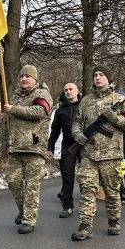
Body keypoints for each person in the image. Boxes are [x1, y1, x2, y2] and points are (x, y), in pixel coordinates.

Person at [70, 64, 125, 241]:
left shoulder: (121, 100)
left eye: (101, 75)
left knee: (112, 191)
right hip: (88, 154)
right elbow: (76, 122)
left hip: (111, 155)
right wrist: (78, 135)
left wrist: (113, 117)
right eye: (95, 75)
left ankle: (114, 221)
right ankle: (85, 226)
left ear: (108, 78)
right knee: (87, 190)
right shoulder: (85, 101)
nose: (98, 78)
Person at [3, 64, 53, 234]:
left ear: (34, 79)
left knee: (32, 186)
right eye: (21, 76)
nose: (24, 79)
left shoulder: (41, 93)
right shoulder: (16, 95)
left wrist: (14, 110)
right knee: (13, 181)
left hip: (34, 147)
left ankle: (29, 220)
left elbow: (40, 111)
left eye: (27, 76)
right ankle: (24, 210)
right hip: (16, 146)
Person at [48, 82, 81, 218]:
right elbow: (55, 130)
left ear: (76, 91)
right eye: (66, 90)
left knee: (87, 176)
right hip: (67, 146)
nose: (68, 92)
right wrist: (50, 147)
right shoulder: (61, 109)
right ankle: (67, 206)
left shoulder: (84, 105)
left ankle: (88, 204)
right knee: (67, 176)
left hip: (85, 145)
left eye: (71, 89)